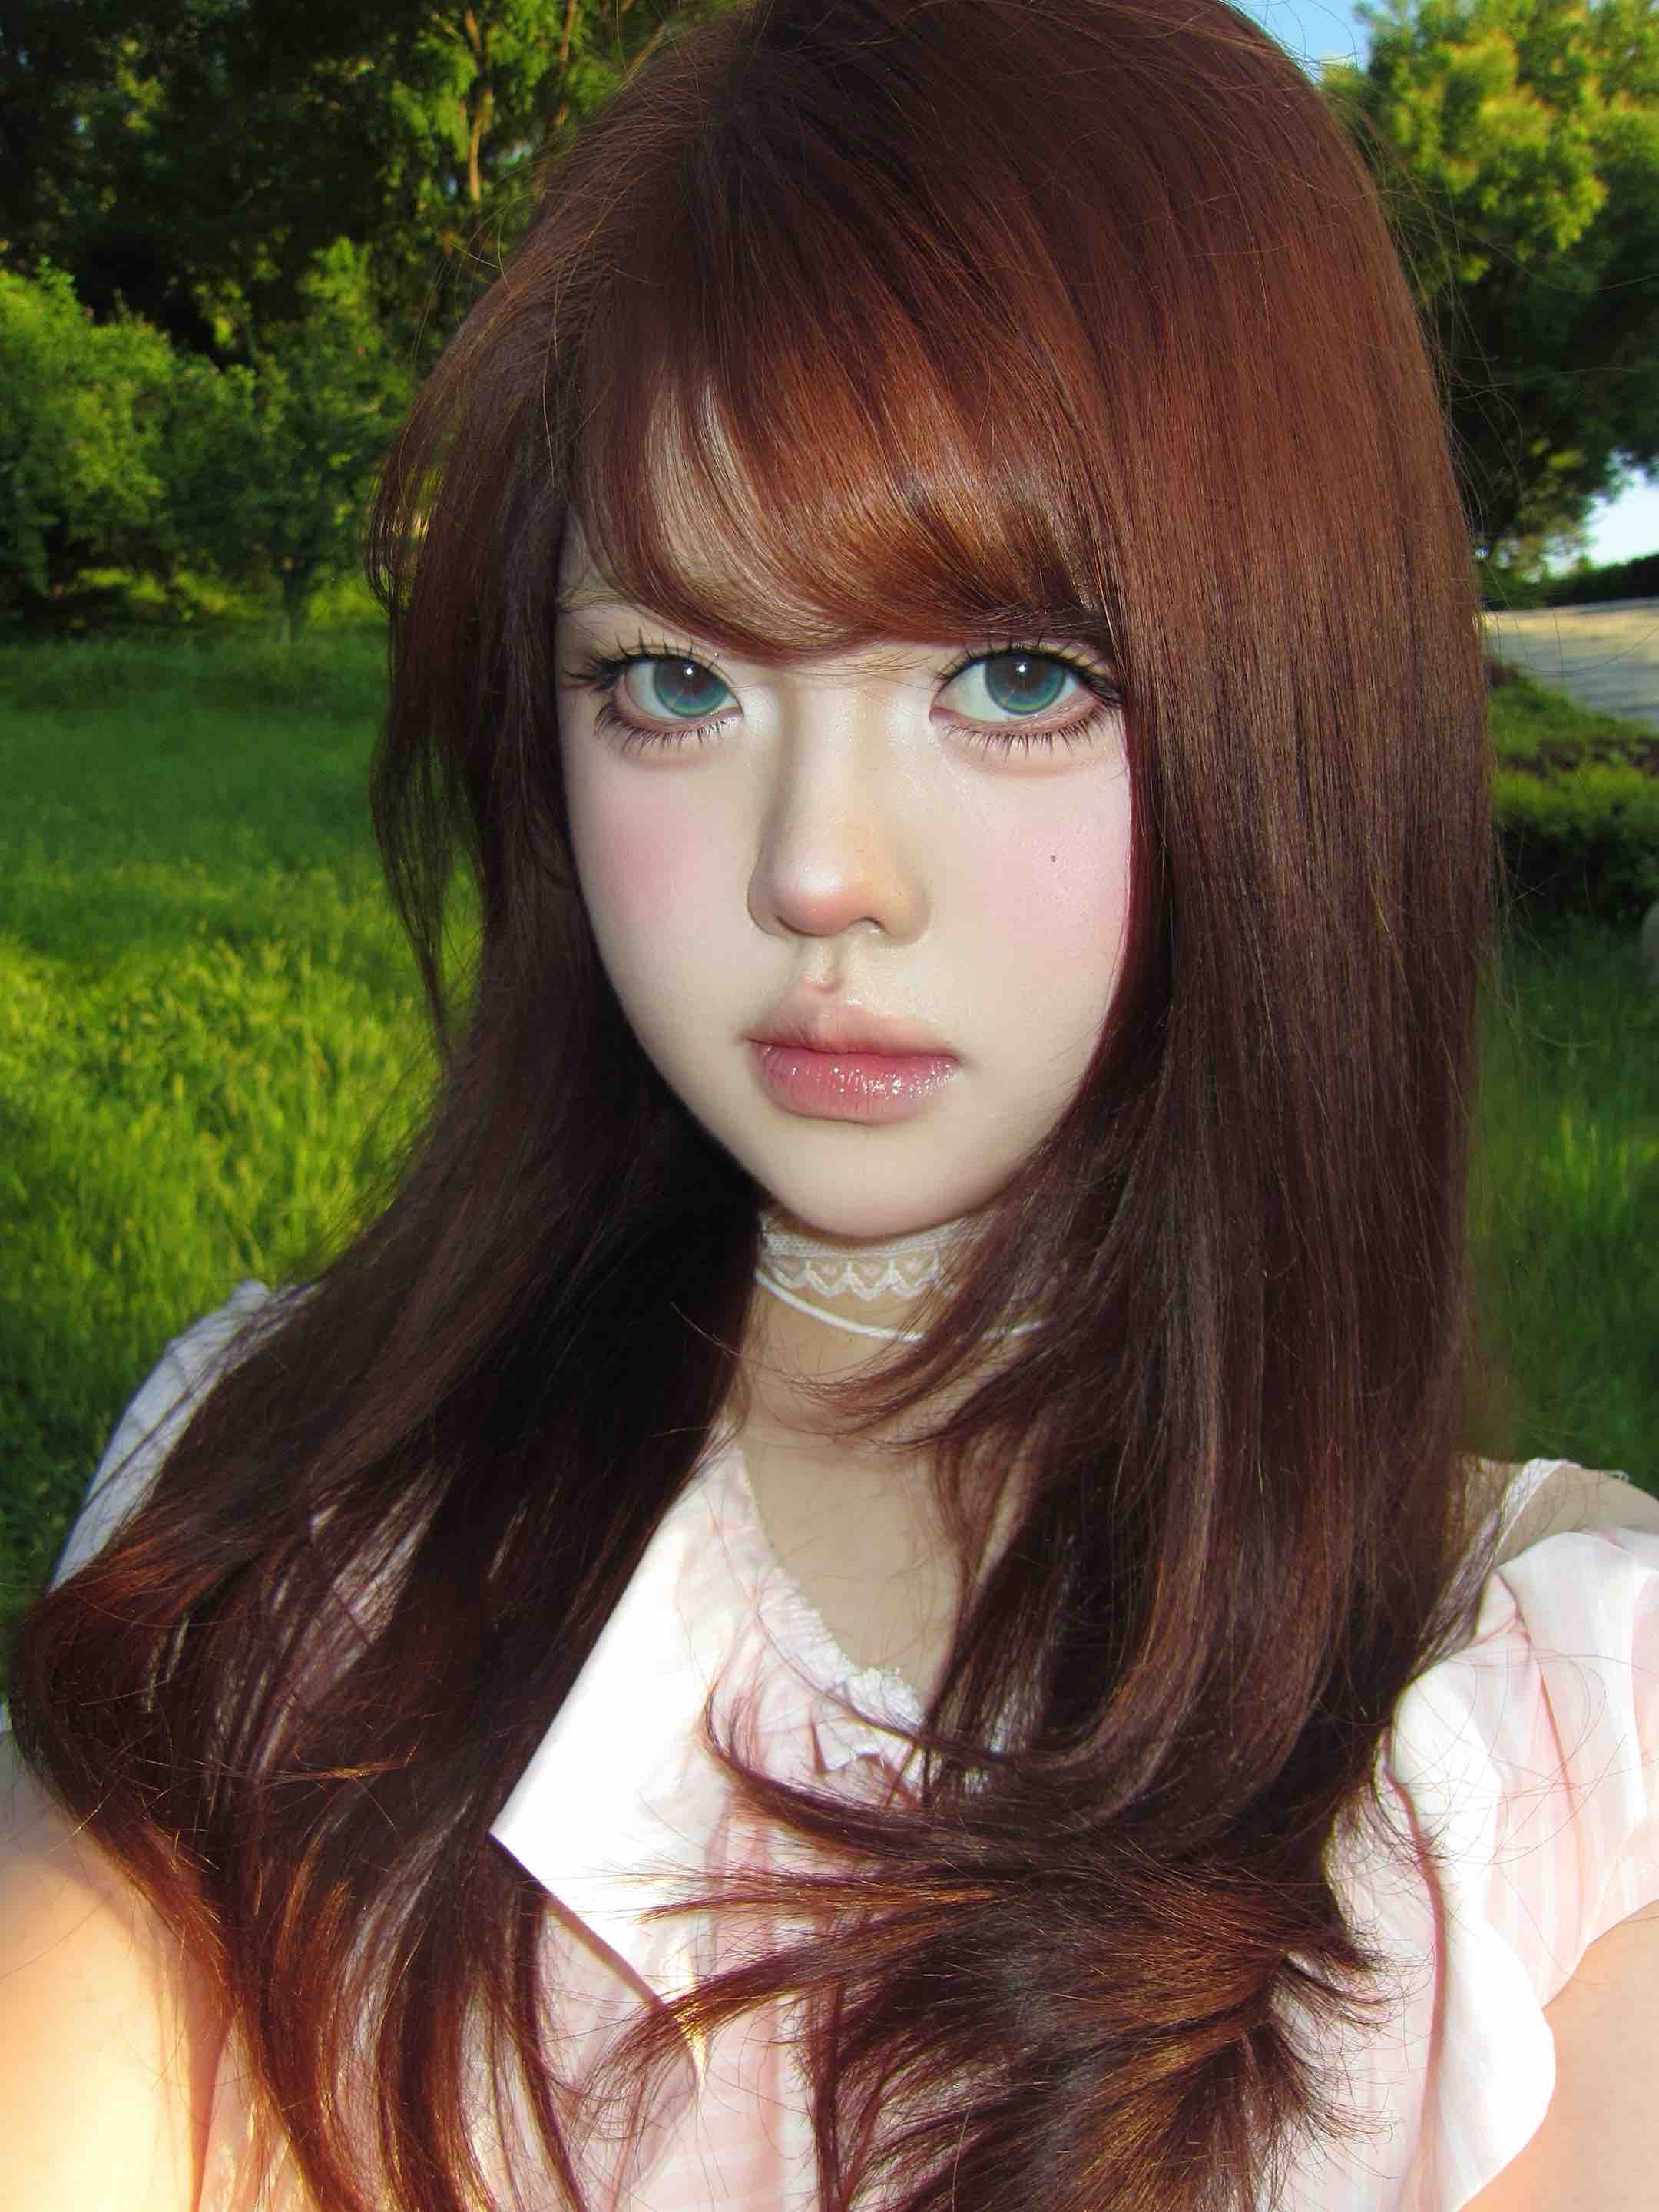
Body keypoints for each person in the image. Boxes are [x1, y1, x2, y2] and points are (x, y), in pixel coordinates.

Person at [3, 0, 1657, 2205]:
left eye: (1015, 677)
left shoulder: (1550, 1766)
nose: (817, 871)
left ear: (1301, 710)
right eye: (674, 679)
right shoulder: (290, 1507)